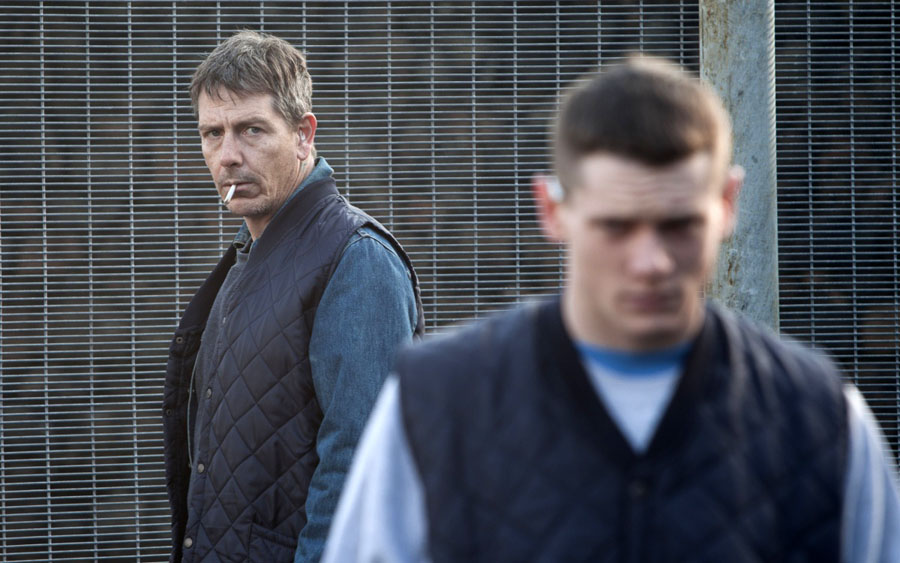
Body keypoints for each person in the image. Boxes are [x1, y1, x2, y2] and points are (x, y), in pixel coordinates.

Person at [322, 56, 900, 562]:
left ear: (727, 204)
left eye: (679, 225)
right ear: (552, 209)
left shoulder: (819, 416)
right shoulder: (434, 402)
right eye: (616, 227)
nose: (650, 262)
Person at [161, 31, 424, 563]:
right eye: (212, 133)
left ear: (304, 135)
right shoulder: (250, 257)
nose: (228, 156)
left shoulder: (357, 259)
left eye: (251, 130)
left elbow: (362, 472)